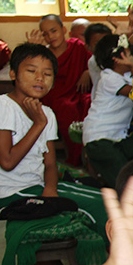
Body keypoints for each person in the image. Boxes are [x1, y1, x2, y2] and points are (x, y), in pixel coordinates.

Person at [0, 43, 108, 237]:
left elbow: (49, 163)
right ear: (13, 74)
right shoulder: (0, 106)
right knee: (100, 209)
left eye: (47, 74)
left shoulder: (47, 113)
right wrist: (38, 124)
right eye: (31, 71)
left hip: (38, 186)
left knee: (106, 197)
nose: (40, 78)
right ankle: (118, 262)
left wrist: (50, 189)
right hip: (10, 192)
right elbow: (7, 162)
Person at [82, 34, 133, 187]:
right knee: (122, 175)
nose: (132, 57)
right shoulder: (109, 78)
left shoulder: (124, 76)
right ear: (118, 58)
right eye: (128, 53)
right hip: (99, 138)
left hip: (117, 137)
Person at [37, 14, 92, 165]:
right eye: (45, 34)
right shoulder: (44, 55)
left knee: (89, 102)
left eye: (53, 31)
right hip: (55, 95)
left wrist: (87, 72)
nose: (50, 36)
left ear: (63, 29)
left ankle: (87, 153)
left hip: (78, 91)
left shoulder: (77, 47)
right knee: (66, 108)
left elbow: (93, 62)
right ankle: (75, 157)